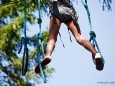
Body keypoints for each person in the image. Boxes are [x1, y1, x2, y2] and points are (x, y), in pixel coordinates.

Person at [35, 0, 104, 73]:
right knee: (79, 38)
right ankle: (96, 54)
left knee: (52, 39)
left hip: (56, 10)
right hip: (69, 11)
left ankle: (48, 55)